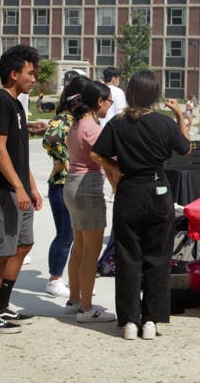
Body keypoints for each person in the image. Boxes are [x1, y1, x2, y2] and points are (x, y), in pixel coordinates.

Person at [90, 70, 190, 340]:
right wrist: (180, 116)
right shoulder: (164, 122)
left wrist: (117, 167)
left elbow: (96, 153)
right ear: (154, 94)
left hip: (129, 191)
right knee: (157, 258)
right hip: (159, 192)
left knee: (127, 257)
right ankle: (151, 320)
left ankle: (130, 321)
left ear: (131, 93)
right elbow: (186, 148)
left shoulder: (118, 123)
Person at [0, 44, 47, 333]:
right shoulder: (0, 103)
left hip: (17, 189)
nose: (34, 78)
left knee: (23, 244)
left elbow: (18, 155)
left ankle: (1, 307)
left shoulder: (17, 105)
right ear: (14, 74)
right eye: (30, 73)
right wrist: (17, 187)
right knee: (2, 251)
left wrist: (32, 188)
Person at [64, 79, 117, 324]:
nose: (110, 106)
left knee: (79, 246)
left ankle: (75, 299)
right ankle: (87, 307)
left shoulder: (76, 125)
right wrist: (117, 184)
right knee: (91, 252)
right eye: (109, 101)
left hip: (72, 184)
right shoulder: (93, 128)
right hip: (88, 188)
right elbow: (105, 160)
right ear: (99, 101)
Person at [40, 75, 89, 299]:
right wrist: (66, 160)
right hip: (61, 184)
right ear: (79, 97)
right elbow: (50, 139)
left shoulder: (79, 120)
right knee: (65, 234)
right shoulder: (63, 119)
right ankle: (54, 279)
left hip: (78, 184)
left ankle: (74, 280)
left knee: (77, 235)